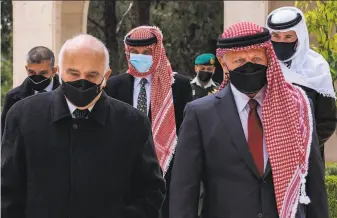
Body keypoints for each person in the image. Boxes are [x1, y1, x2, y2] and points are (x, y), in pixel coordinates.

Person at [170, 22, 328, 218]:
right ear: (224, 63)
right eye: (239, 60)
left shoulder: (297, 106)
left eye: (255, 58)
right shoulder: (200, 114)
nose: (249, 65)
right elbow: (184, 189)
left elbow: (314, 181)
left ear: (268, 59)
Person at [1, 34, 165, 218]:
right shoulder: (23, 116)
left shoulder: (133, 123)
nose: (82, 81)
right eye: (74, 73)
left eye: (91, 75)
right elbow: (8, 191)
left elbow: (152, 191)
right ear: (60, 71)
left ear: (106, 76)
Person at [104, 26, 192, 218]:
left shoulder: (178, 86)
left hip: (166, 168)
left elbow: (186, 131)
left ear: (157, 51)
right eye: (134, 52)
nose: (140, 57)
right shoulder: (114, 85)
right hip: (126, 166)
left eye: (146, 52)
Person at [266, 6, 337, 160]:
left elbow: (327, 122)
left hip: (307, 159)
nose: (281, 41)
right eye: (276, 36)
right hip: (266, 158)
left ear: (300, 36)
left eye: (288, 37)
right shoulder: (263, 65)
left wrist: (298, 149)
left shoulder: (317, 67)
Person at [1, 46, 60, 136]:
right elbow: (6, 137)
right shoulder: (12, 98)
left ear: (54, 71)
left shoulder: (67, 96)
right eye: (31, 72)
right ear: (26, 68)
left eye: (43, 73)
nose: (37, 77)